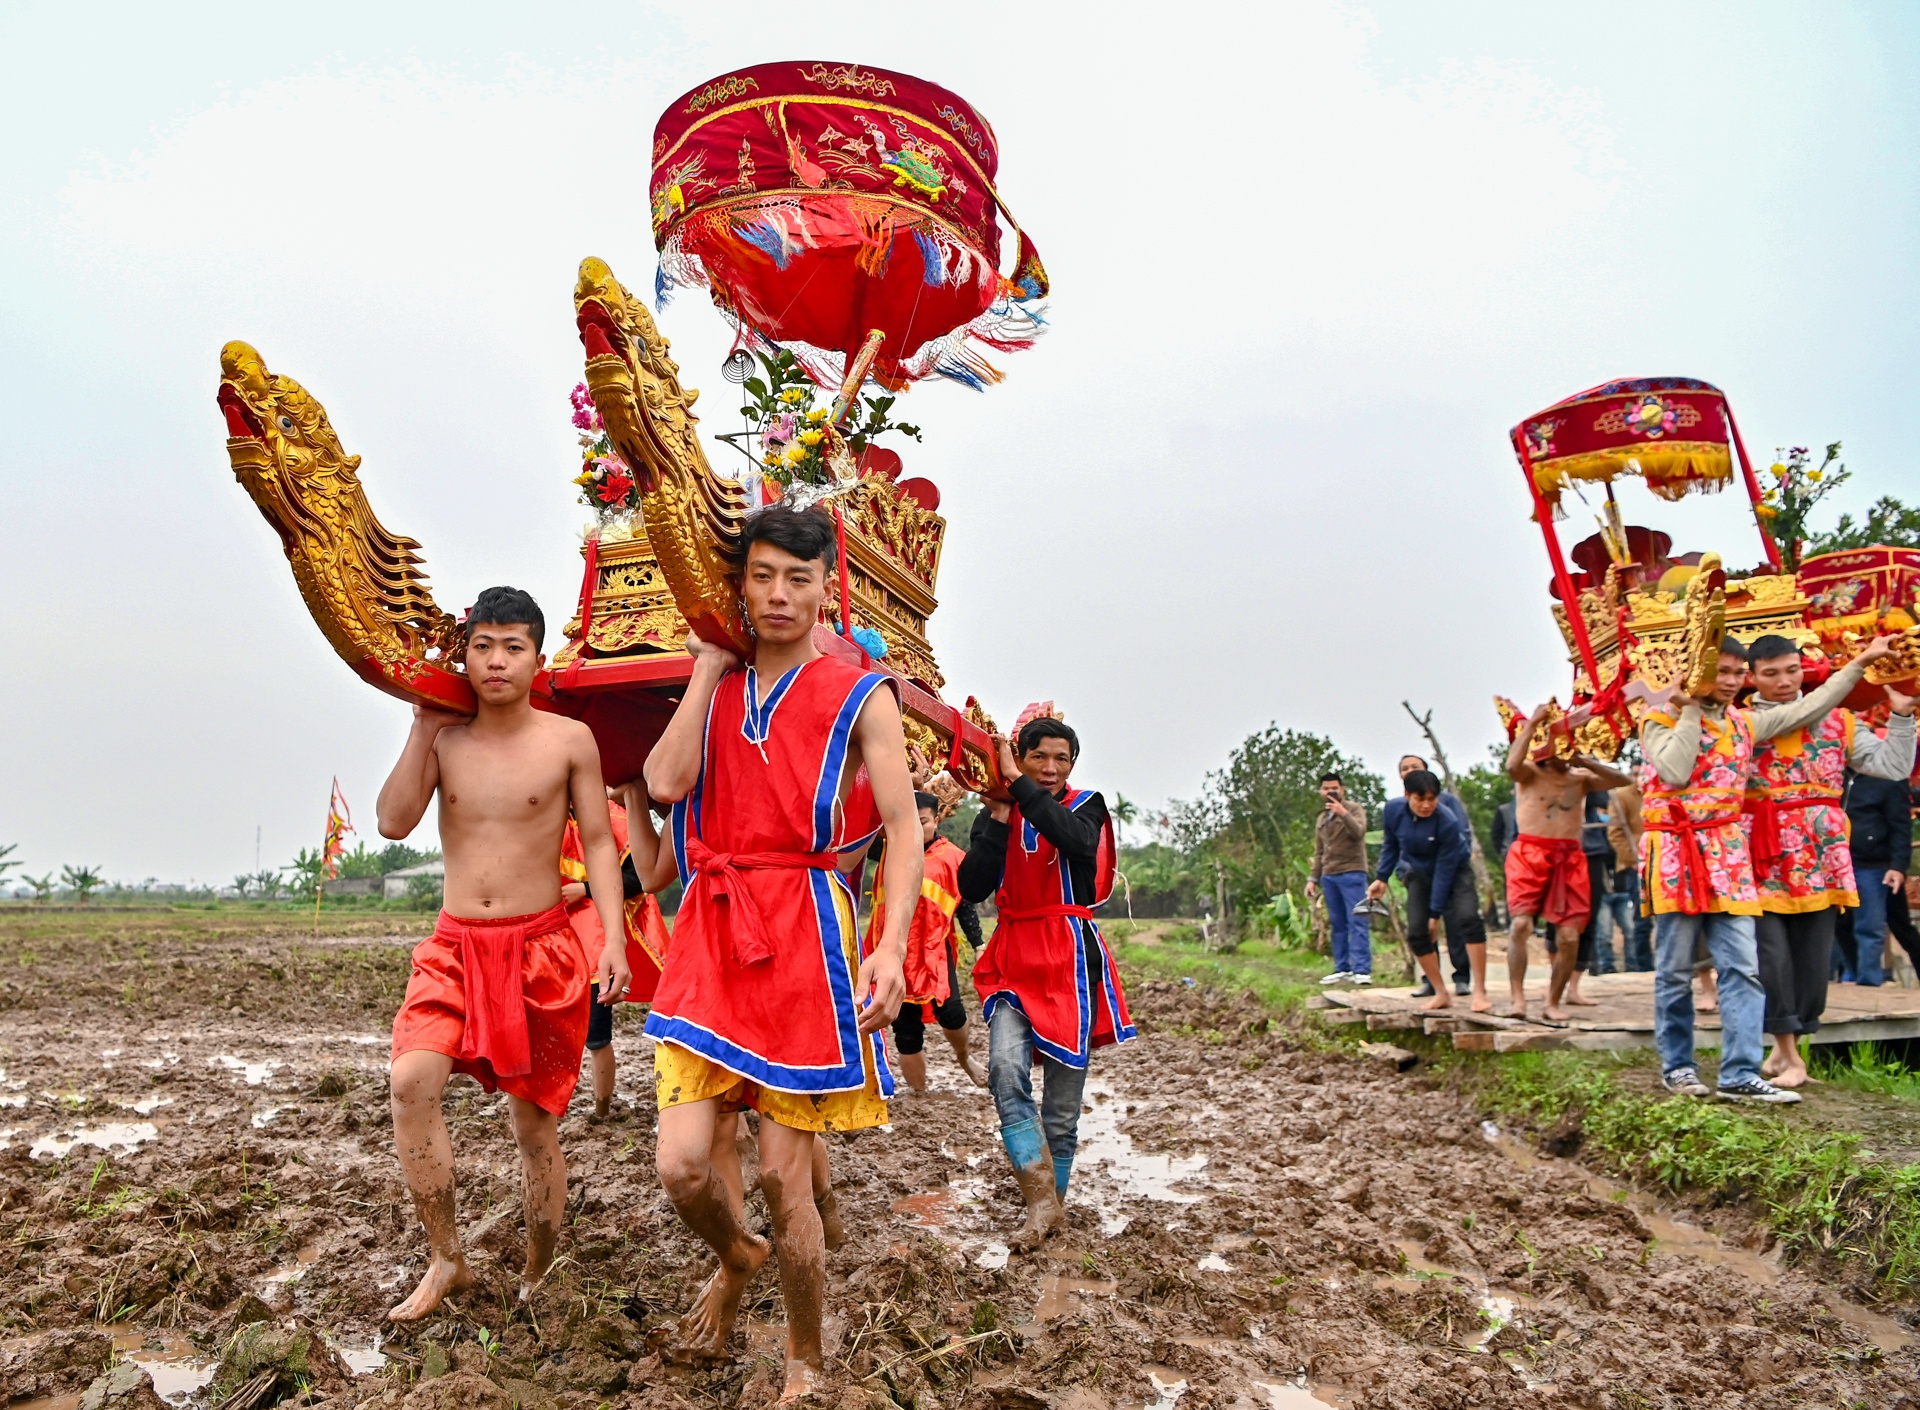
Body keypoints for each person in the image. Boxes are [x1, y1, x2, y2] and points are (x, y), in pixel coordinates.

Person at [640, 505, 916, 1401]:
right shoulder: (714, 689)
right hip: (710, 931)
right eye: (761, 576)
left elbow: (905, 829)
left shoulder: (860, 692)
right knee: (682, 1163)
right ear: (741, 586)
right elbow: (664, 783)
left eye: (798, 578)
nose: (779, 595)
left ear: (825, 584)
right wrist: (708, 664)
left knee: (779, 1172)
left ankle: (805, 1362)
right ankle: (739, 1256)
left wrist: (892, 947)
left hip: (806, 925)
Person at [376, 586, 632, 1321]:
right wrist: (424, 722)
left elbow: (599, 844)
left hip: (542, 947)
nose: (496, 660)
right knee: (410, 1082)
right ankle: (446, 1258)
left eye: (512, 646)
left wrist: (612, 939)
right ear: (465, 654)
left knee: (533, 1125)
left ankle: (540, 1263)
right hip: (454, 946)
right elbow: (394, 822)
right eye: (482, 646)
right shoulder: (447, 740)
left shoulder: (567, 741)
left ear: (536, 657)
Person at [1639, 633, 1899, 1102]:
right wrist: (1691, 708)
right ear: (1696, 672)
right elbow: (1676, 771)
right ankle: (1677, 1066)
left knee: (1742, 967)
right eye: (1723, 672)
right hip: (1678, 852)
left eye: (1738, 673)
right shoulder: (1658, 719)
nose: (1733, 681)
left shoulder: (1744, 724)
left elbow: (1812, 705)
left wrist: (1860, 662)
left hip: (1729, 853)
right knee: (1675, 969)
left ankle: (1740, 1072)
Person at [960, 712, 1134, 1252]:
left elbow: (1076, 842)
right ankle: (1039, 1203)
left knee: (1061, 1106)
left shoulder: (1087, 806)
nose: (1052, 767)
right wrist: (994, 819)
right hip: (1014, 950)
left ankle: (1051, 1208)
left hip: (1069, 956)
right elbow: (972, 885)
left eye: (1062, 759)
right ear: (1021, 757)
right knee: (1004, 1069)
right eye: (1040, 757)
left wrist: (1018, 787)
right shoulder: (1003, 812)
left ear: (1073, 765)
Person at [1744, 635, 1915, 1085]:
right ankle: (1786, 1052)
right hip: (1763, 855)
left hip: (1823, 856)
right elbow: (1803, 711)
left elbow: (1893, 768)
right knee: (1771, 955)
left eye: (1791, 670)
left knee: (1813, 958)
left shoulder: (1842, 722)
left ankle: (1788, 1055)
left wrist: (1901, 716)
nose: (1783, 682)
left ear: (1804, 669)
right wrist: (1859, 663)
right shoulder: (1740, 723)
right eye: (1771, 673)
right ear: (1751, 677)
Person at [1501, 705, 1631, 1020]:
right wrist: (1532, 724)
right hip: (1530, 852)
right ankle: (1517, 999)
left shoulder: (1580, 778)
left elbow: (1621, 779)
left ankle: (1552, 1002)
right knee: (1521, 925)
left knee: (1570, 935)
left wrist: (1583, 760)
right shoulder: (1530, 771)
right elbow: (1511, 766)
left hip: (1570, 857)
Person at [560, 790, 673, 1121]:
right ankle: (549, 1108)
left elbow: (640, 878)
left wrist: (586, 889)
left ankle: (602, 1109)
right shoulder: (546, 820)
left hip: (600, 944)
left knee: (596, 1036)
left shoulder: (614, 817)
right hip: (556, 944)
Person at [875, 790, 988, 1091]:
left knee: (951, 1012)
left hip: (934, 948)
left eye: (922, 821)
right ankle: (920, 1098)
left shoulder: (953, 857)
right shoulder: (887, 849)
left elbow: (964, 905)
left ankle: (964, 1058)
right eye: (909, 821)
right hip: (893, 949)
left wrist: (979, 945)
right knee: (905, 1027)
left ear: (936, 820)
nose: (915, 828)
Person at [1367, 769, 1488, 1011]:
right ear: (1407, 795)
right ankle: (1441, 991)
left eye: (1431, 799)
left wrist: (1435, 914)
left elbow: (1444, 871)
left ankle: (1481, 992)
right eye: (1420, 799)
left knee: (1469, 919)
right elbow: (1391, 845)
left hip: (1455, 871)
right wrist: (1381, 878)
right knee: (1416, 933)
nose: (1426, 805)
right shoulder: (1392, 811)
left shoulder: (1447, 822)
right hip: (1419, 872)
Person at [1397, 755, 1475, 995]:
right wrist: (1403, 871)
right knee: (1420, 927)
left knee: (1457, 924)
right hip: (1417, 874)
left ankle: (1461, 977)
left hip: (1448, 871)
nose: (1409, 770)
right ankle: (1430, 981)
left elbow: (1462, 834)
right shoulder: (1397, 809)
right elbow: (1395, 842)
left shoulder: (1447, 803)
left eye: (1415, 767)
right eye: (1405, 768)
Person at [1843, 766, 1917, 986]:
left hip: (1874, 863)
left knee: (1872, 927)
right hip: (1839, 862)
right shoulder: (1836, 777)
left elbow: (1901, 826)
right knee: (1841, 924)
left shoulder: (1889, 779)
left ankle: (1868, 982)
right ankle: (1853, 974)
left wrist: (1898, 866)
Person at [1306, 771, 1371, 986]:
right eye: (1326, 789)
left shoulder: (1354, 809)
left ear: (1341, 789)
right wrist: (1312, 879)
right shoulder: (1322, 818)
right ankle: (1341, 967)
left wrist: (1343, 813)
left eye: (1334, 788)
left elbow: (1359, 832)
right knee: (1338, 923)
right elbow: (1319, 851)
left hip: (1352, 871)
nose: (1330, 792)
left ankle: (1361, 969)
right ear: (1320, 791)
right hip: (1329, 874)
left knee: (1357, 920)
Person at [1606, 780, 1653, 971]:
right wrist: (1633, 860)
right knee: (1641, 919)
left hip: (1664, 860)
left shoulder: (1659, 791)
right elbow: (1615, 833)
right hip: (1636, 865)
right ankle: (1643, 966)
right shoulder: (1621, 796)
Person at [1577, 790, 1620, 978]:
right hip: (1563, 848)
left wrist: (1586, 769)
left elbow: (1603, 798)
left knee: (1592, 914)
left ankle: (1590, 963)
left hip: (1592, 851)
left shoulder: (1588, 776)